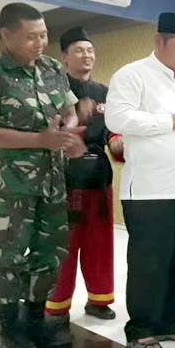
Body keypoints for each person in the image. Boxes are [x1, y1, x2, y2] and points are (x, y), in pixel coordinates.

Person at [0, 3, 86, 348]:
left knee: (49, 255)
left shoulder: (52, 69)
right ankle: (10, 330)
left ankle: (35, 322)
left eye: (44, 34)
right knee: (11, 256)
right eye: (31, 36)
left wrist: (66, 135)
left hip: (51, 179)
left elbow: (68, 112)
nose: (40, 43)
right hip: (10, 183)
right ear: (7, 35)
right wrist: (41, 141)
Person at [105, 12, 175, 348]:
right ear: (159, 42)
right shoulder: (133, 75)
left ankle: (169, 322)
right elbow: (117, 117)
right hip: (151, 191)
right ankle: (141, 327)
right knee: (150, 262)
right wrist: (170, 121)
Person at [45, 27, 119, 328]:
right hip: (65, 178)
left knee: (100, 241)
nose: (86, 55)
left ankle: (99, 300)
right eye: (79, 50)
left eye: (90, 50)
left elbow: (115, 128)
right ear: (64, 57)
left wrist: (117, 140)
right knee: (65, 243)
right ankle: (57, 304)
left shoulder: (105, 93)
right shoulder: (53, 90)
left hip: (99, 176)